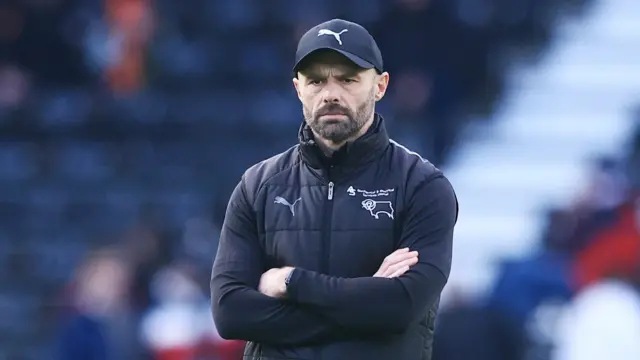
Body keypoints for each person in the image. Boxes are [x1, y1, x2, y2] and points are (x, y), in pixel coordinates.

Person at [210, 18, 458, 360]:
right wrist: (365, 303)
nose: (330, 94)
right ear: (298, 88)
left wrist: (293, 283)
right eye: (315, 81)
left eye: (348, 79)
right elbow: (231, 313)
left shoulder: (421, 186)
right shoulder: (258, 186)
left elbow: (399, 307)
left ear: (380, 86)